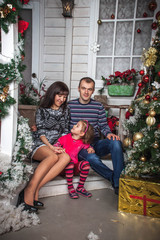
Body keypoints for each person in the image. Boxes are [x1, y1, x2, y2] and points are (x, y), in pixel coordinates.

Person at [17, 81, 71, 213]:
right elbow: (40, 132)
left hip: (55, 145)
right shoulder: (42, 110)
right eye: (59, 95)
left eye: (64, 97)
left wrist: (59, 146)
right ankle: (29, 189)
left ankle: (36, 187)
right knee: (52, 156)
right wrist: (51, 147)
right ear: (53, 94)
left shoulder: (66, 110)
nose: (62, 99)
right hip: (39, 143)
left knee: (66, 157)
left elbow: (65, 131)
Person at [68, 77, 125, 195]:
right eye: (83, 88)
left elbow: (103, 126)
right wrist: (84, 146)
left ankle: (119, 182)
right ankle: (115, 179)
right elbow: (66, 130)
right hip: (79, 146)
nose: (86, 92)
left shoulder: (98, 106)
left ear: (93, 91)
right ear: (78, 89)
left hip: (95, 143)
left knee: (116, 142)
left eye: (89, 89)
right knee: (92, 158)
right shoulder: (69, 106)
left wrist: (109, 133)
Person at [54, 120, 95, 199]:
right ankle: (70, 187)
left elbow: (89, 147)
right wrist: (59, 149)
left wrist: (91, 149)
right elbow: (56, 146)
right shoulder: (65, 138)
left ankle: (80, 187)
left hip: (74, 168)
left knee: (86, 164)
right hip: (63, 167)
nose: (74, 125)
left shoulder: (82, 142)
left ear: (82, 133)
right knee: (70, 163)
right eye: (76, 124)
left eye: (77, 126)